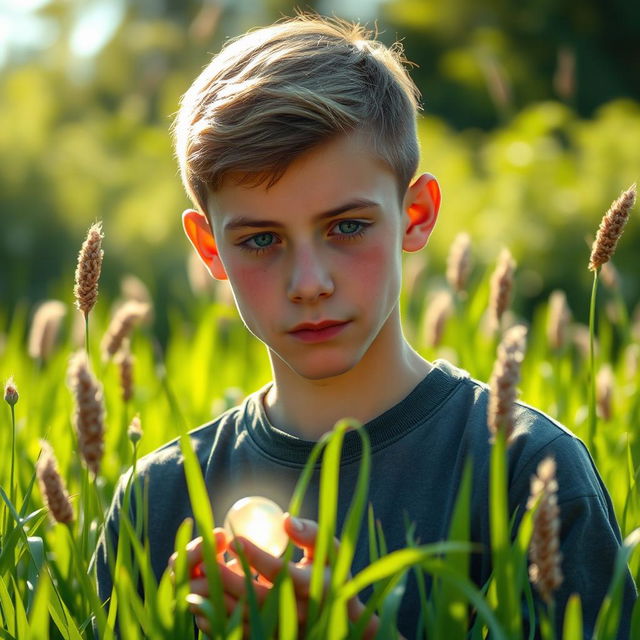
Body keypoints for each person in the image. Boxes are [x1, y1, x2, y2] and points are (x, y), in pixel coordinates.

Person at [93, 13, 636, 639]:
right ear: (209, 247)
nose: (309, 282)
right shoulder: (156, 503)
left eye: (346, 227)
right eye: (261, 239)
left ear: (416, 214)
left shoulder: (526, 472)